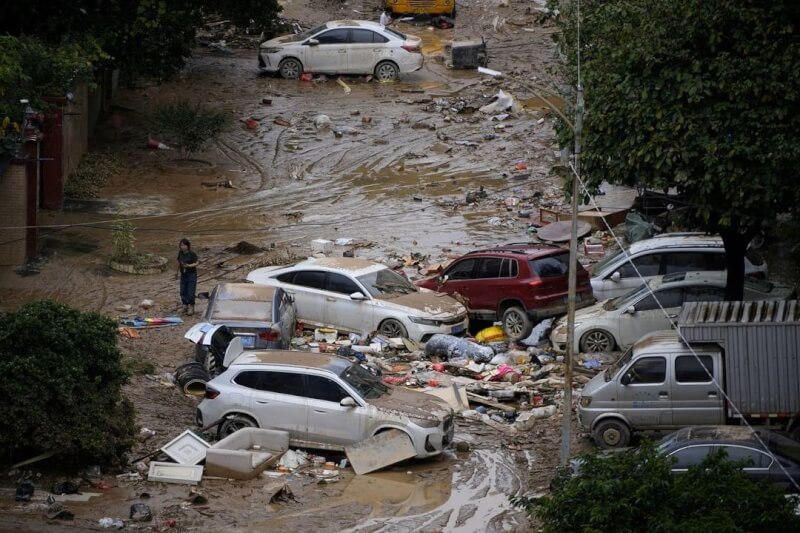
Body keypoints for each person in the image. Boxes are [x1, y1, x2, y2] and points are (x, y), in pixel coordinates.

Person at [176, 238, 199, 315]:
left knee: (190, 291)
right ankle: (184, 305)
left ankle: (191, 306)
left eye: (184, 245)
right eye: (181, 245)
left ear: (188, 246)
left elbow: (197, 263)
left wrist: (189, 265)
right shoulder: (180, 253)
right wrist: (176, 272)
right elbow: (179, 262)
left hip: (191, 274)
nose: (182, 247)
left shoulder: (192, 254)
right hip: (183, 274)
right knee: (183, 290)